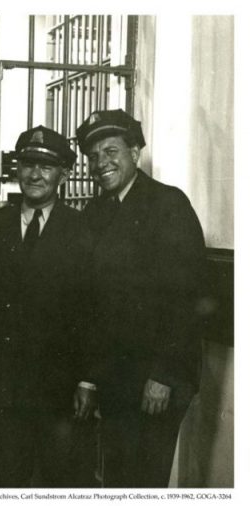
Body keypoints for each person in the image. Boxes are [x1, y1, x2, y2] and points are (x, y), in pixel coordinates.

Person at [75, 109, 206, 487]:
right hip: (115, 378)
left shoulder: (168, 205)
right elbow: (90, 302)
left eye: (111, 151)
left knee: (145, 480)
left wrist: (163, 375)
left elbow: (186, 298)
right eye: (94, 156)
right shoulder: (96, 211)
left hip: (158, 378)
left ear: (135, 152)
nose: (102, 163)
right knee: (118, 478)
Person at [0, 126, 97, 487]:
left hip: (61, 389)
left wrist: (88, 380)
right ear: (17, 170)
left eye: (46, 166)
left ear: (63, 173)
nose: (35, 174)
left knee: (61, 480)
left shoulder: (81, 230)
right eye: (28, 164)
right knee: (10, 477)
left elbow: (93, 311)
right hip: (6, 386)